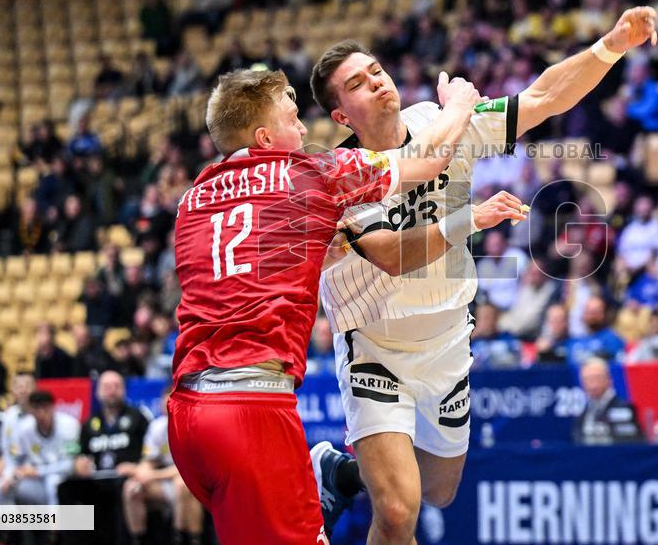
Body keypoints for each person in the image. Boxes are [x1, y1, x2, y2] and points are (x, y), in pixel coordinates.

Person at [311, 6, 658, 543]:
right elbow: (392, 254)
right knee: (399, 511)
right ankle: (365, 482)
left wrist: (611, 45)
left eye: (375, 69)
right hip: (375, 348)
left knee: (440, 491)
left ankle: (342, 472)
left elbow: (542, 98)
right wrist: (469, 218)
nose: (376, 82)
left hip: (448, 340)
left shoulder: (441, 121)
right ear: (341, 116)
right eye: (357, 83)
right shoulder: (339, 175)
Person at [167, 67, 486, 545]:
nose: (305, 131)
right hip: (250, 409)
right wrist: (459, 106)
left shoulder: (192, 198)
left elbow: (256, 250)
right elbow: (426, 160)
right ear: (264, 137)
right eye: (294, 120)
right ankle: (328, 474)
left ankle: (336, 476)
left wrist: (321, 242)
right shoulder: (308, 175)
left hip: (187, 415)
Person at [58, 371, 149, 545]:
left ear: (123, 390)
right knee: (66, 488)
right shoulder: (90, 422)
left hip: (125, 478)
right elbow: (80, 453)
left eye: (116, 386)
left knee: (121, 490)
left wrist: (138, 466)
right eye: (107, 387)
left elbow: (150, 452)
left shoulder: (138, 417)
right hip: (98, 479)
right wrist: (79, 463)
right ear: (98, 392)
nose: (111, 391)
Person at [124, 388, 202, 545]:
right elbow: (149, 460)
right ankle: (138, 539)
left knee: (182, 484)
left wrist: (153, 475)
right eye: (166, 404)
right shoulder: (157, 427)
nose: (170, 409)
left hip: (193, 479)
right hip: (165, 480)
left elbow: (189, 467)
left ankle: (181, 537)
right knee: (131, 487)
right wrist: (141, 471)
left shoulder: (195, 425)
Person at [5, 390, 81, 506]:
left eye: (45, 408)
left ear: (53, 408)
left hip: (66, 478)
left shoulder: (70, 426)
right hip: (36, 480)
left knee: (53, 482)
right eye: (36, 409)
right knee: (10, 486)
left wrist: (39, 471)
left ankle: (55, 523)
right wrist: (10, 476)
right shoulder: (23, 429)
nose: (41, 414)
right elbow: (14, 458)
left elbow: (71, 464)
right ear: (30, 410)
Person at [572, 358, 643, 445]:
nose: (592, 384)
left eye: (596, 378)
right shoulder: (583, 412)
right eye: (587, 379)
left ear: (609, 380)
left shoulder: (622, 408)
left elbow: (627, 442)